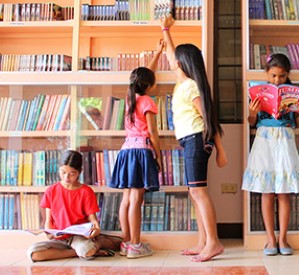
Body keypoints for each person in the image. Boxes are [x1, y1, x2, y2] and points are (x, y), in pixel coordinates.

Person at [159, 15, 228, 262]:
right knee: (195, 192)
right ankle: (203, 241)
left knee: (199, 192)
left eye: (175, 60)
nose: (171, 61)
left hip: (197, 140)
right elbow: (170, 53)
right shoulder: (183, 82)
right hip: (190, 141)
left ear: (182, 63)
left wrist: (220, 149)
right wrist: (165, 29)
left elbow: (208, 118)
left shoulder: (190, 86)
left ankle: (214, 243)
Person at [242, 53, 299, 256]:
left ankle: (283, 239)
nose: (277, 80)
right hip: (264, 141)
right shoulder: (258, 91)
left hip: (285, 142)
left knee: (284, 192)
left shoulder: (294, 93)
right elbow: (252, 122)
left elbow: (296, 124)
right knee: (266, 191)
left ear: (287, 74)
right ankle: (270, 239)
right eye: (273, 76)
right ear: (266, 73)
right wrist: (252, 113)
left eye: (281, 76)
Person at [108, 44, 165, 259]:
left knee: (126, 199)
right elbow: (152, 132)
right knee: (136, 200)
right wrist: (158, 155)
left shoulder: (130, 98)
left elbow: (143, 75)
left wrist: (157, 54)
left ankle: (126, 243)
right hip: (141, 152)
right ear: (149, 85)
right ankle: (136, 244)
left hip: (125, 152)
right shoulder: (148, 101)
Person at [27, 150, 121, 262]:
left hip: (78, 237)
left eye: (72, 173)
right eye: (63, 172)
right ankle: (78, 253)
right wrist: (49, 233)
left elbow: (93, 220)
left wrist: (96, 230)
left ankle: (97, 243)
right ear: (59, 169)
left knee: (86, 250)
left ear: (79, 172)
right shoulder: (51, 191)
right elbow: (48, 221)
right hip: (59, 239)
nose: (67, 177)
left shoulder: (86, 191)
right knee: (34, 254)